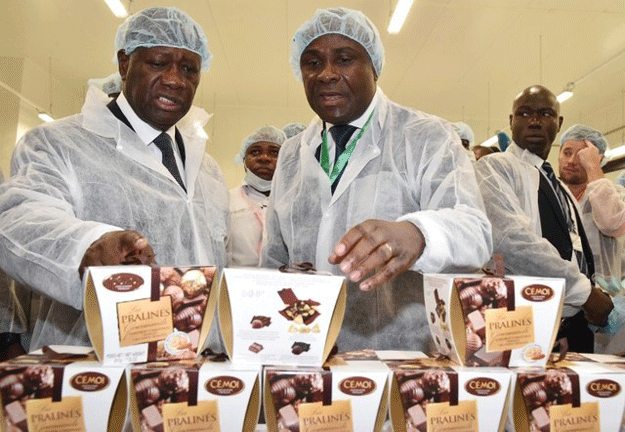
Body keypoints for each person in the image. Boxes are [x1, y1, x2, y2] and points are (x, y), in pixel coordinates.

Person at [261, 7, 492, 351]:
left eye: (344, 59)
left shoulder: (425, 136)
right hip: (307, 353)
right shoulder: (294, 152)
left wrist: (418, 233)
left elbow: (475, 232)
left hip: (404, 357)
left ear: (374, 67)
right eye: (312, 62)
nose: (326, 74)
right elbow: (273, 259)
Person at [0, 7, 228, 351]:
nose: (174, 79)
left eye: (188, 69)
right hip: (93, 366)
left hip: (196, 367)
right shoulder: (57, 143)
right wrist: (87, 245)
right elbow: (19, 219)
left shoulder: (207, 169)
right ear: (124, 64)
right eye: (158, 62)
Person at [475, 85, 613, 353]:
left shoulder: (558, 187)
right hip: (517, 319)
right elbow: (510, 241)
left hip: (566, 326)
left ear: (559, 123)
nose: (535, 121)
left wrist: (567, 320)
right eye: (524, 113)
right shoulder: (496, 168)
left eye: (545, 113)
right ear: (512, 121)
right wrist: (584, 293)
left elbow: (573, 249)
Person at [558, 125, 625, 294]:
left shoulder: (616, 196)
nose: (572, 161)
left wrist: (594, 167)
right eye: (567, 153)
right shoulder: (549, 194)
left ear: (598, 160)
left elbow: (611, 223)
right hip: (561, 291)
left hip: (605, 295)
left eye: (582, 155)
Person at [227, 125, 285, 267]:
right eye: (255, 152)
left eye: (274, 152)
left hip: (283, 286)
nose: (264, 158)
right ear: (243, 159)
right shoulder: (227, 201)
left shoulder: (293, 204)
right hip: (236, 285)